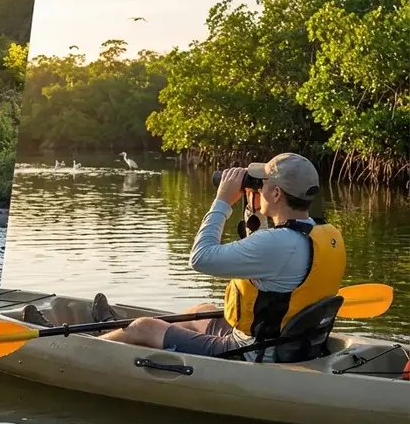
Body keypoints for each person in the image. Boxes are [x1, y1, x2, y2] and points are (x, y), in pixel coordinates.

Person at [100, 153, 345, 361]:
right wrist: (253, 212)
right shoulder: (321, 233)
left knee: (144, 326)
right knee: (201, 310)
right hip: (291, 343)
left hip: (252, 351)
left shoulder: (276, 243)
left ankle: (94, 346)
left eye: (264, 183)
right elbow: (270, 260)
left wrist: (222, 201)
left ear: (277, 193)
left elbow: (200, 258)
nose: (259, 186)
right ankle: (118, 332)